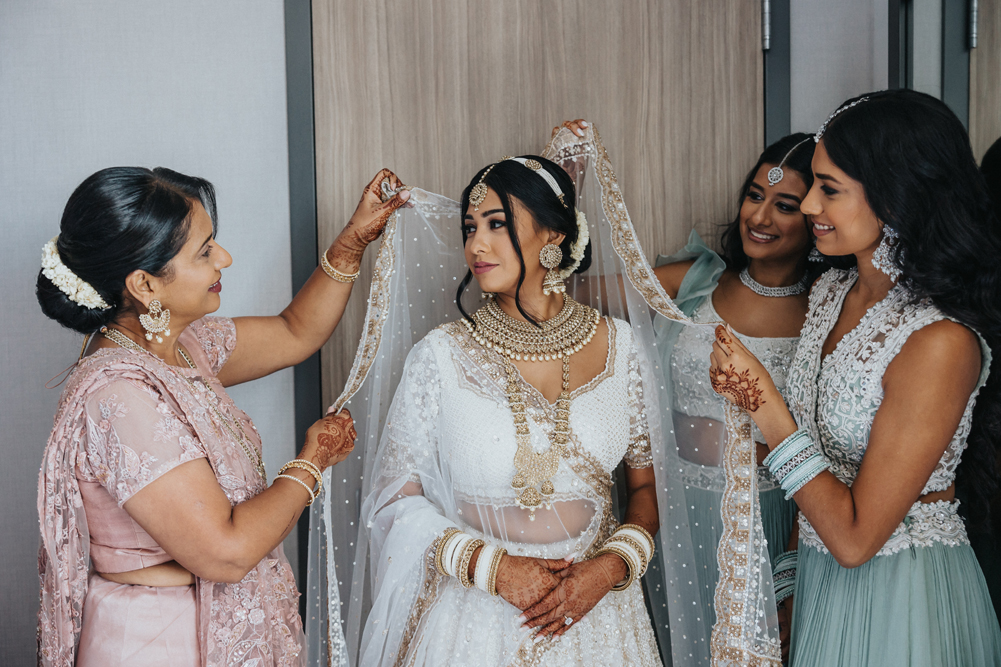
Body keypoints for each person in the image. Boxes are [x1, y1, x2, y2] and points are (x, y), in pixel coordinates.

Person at [36, 166, 408, 666]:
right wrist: (313, 461)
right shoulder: (121, 396)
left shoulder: (181, 347)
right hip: (158, 641)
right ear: (145, 283)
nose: (224, 259)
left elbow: (294, 331)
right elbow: (225, 551)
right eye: (205, 251)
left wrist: (350, 245)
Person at [709, 90, 1001, 666]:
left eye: (829, 189)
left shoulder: (940, 342)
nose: (809, 203)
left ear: (896, 195)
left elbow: (856, 537)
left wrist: (763, 404)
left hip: (903, 599)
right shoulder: (831, 293)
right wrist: (790, 583)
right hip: (821, 586)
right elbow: (821, 472)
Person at [353, 154, 663, 666]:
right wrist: (492, 568)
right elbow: (392, 498)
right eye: (470, 227)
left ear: (555, 235)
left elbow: (646, 488)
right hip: (473, 620)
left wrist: (608, 569)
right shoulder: (440, 356)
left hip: (598, 619)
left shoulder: (622, 348)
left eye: (497, 224)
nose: (476, 245)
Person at [554, 120, 816, 659]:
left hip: (767, 520)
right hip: (669, 510)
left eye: (785, 205)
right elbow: (565, 292)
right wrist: (563, 189)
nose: (760, 216)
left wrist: (790, 581)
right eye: (754, 195)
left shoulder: (826, 308)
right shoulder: (698, 280)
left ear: (816, 216)